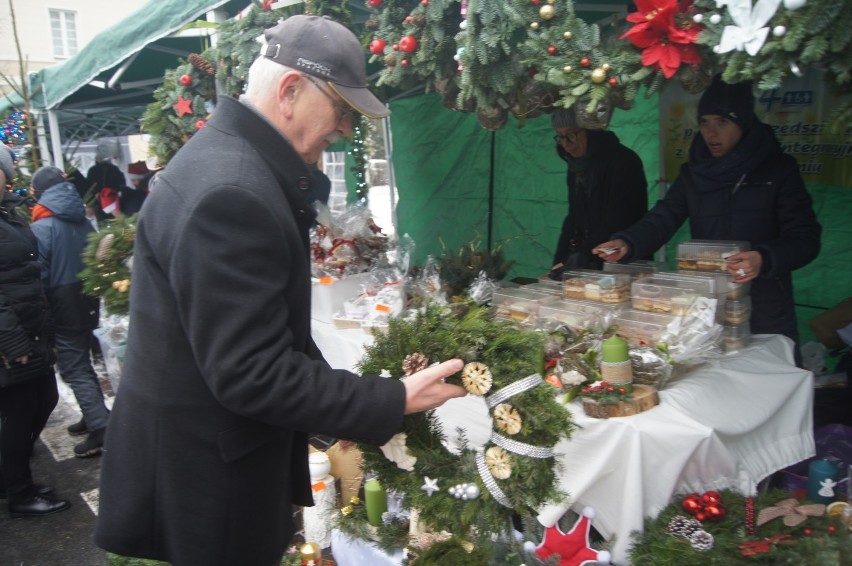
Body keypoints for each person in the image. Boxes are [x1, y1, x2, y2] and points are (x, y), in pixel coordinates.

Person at [94, 15, 466, 566]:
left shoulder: (231, 166)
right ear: (291, 91)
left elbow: (269, 332)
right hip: (208, 479)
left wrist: (356, 396)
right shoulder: (232, 191)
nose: (343, 128)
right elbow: (252, 370)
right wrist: (388, 400)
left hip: (203, 460)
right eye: (340, 110)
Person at [594, 75, 821, 357]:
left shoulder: (778, 170)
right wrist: (628, 242)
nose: (712, 133)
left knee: (769, 380)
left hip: (765, 304)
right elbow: (664, 216)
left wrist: (763, 257)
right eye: (705, 123)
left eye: (722, 122)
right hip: (707, 302)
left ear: (744, 122)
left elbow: (805, 238)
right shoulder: (694, 172)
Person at [0, 147, 71, 517]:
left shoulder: (7, 212)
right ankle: (20, 494)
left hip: (30, 329)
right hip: (12, 338)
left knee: (43, 400)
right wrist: (11, 340)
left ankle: (11, 479)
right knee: (19, 413)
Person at [29, 166, 108, 458]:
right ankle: (94, 414)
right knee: (82, 358)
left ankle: (101, 428)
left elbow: (40, 274)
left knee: (73, 366)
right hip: (86, 297)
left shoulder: (41, 227)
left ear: (40, 194)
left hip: (62, 301)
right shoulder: (82, 220)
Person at [548, 107, 648, 277]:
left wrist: (582, 255)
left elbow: (618, 219)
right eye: (560, 136)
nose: (565, 143)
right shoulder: (576, 167)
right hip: (590, 260)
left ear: (590, 131)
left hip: (623, 261)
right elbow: (574, 218)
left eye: (571, 134)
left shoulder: (623, 161)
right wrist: (559, 263)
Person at [85, 140, 126, 222]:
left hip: (103, 204)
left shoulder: (93, 170)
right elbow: (122, 185)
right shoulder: (115, 170)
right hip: (112, 203)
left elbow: (88, 188)